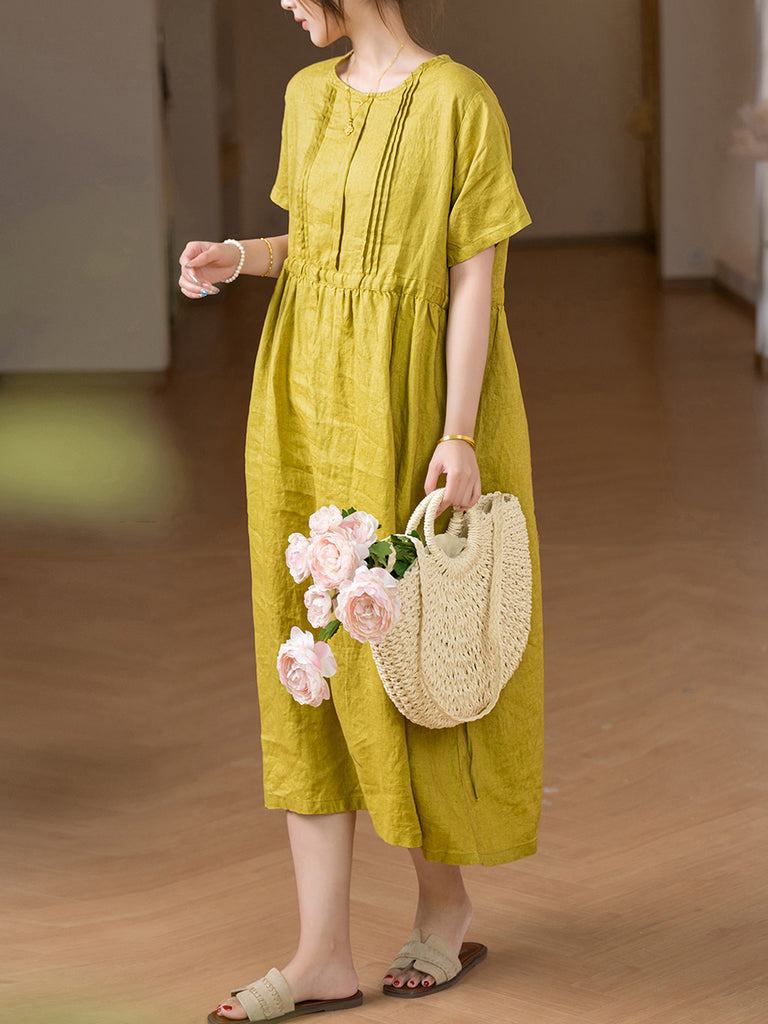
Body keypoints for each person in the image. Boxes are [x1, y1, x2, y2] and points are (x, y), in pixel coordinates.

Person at [178, 1, 543, 1020]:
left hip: (409, 406)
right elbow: (318, 244)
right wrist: (238, 256)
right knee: (307, 655)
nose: (285, 3)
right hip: (300, 408)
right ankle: (321, 953)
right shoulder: (306, 97)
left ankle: (444, 903)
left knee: (404, 651)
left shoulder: (461, 101)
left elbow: (472, 281)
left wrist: (458, 432)